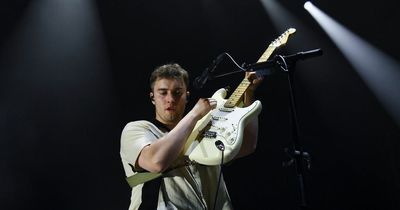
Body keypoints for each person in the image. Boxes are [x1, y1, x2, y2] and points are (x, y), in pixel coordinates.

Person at [120, 63, 263, 210]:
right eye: (163, 93)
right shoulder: (137, 129)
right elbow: (156, 162)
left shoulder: (203, 129)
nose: (170, 99)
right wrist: (194, 114)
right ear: (152, 97)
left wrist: (249, 94)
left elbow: (247, 146)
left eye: (177, 92)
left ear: (186, 96)